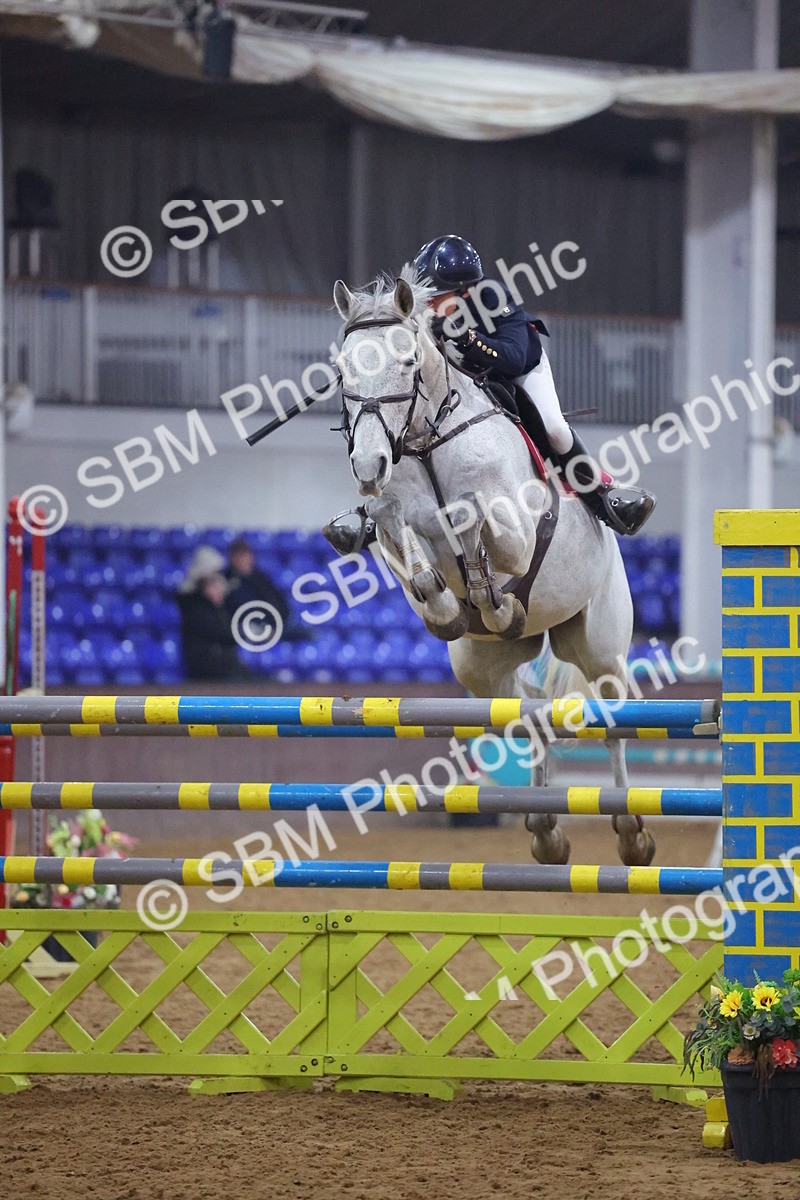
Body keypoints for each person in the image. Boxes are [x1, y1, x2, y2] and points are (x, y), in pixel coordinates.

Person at [324, 234, 655, 555]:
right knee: (406, 422)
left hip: (520, 369)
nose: (430, 305)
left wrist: (466, 337)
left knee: (553, 427)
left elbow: (513, 358)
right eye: (427, 296)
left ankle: (603, 496)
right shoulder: (423, 308)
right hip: (466, 378)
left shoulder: (494, 297)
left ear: (465, 293)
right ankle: (371, 517)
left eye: (438, 297)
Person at [177, 545, 253, 681]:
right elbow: (225, 633)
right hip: (208, 673)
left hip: (228, 668)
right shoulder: (194, 608)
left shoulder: (219, 606)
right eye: (213, 579)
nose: (219, 583)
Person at [224, 537, 292, 634]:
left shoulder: (261, 578)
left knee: (308, 635)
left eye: (245, 555)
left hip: (274, 625)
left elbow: (278, 602)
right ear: (232, 558)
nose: (243, 560)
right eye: (239, 556)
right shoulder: (226, 580)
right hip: (248, 627)